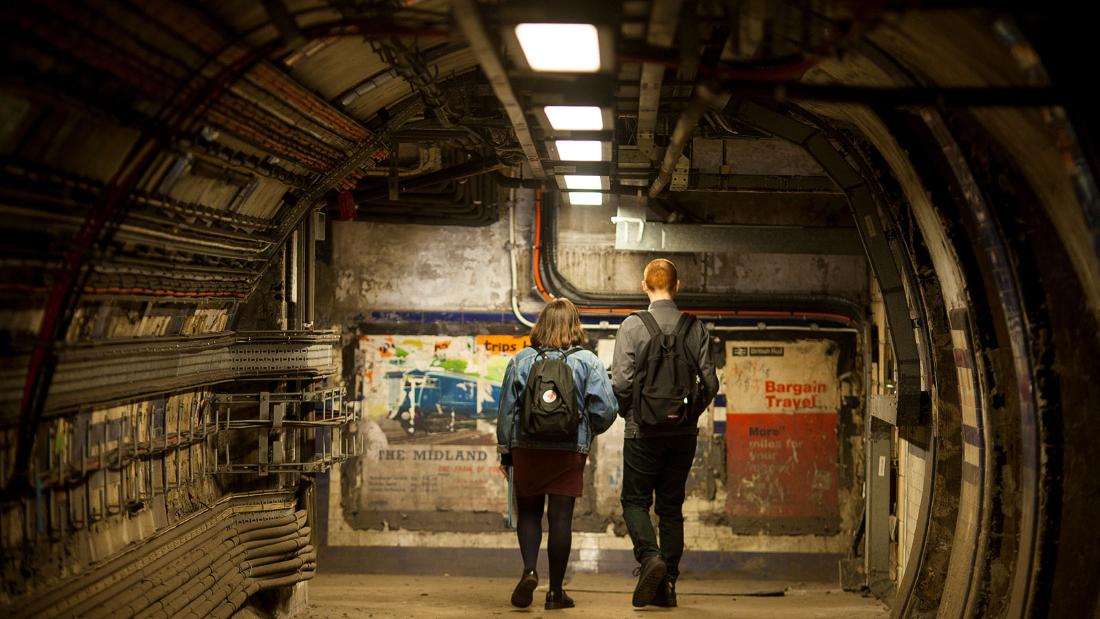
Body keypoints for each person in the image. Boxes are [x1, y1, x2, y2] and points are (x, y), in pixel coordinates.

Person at [496, 298, 618, 610]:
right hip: (568, 449)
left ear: (541, 325)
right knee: (561, 517)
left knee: (529, 512)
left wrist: (506, 453)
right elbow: (606, 410)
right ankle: (555, 593)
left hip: (527, 447)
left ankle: (529, 570)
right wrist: (586, 431)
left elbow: (507, 412)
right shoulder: (587, 362)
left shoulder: (520, 360)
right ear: (574, 325)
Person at [612, 258, 719, 607]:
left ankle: (649, 558)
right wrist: (688, 415)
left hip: (641, 432)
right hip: (683, 435)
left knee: (635, 501)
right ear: (677, 285)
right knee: (671, 507)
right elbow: (710, 383)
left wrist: (632, 414)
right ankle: (667, 584)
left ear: (644, 285)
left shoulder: (632, 326)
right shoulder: (695, 327)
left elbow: (622, 382)